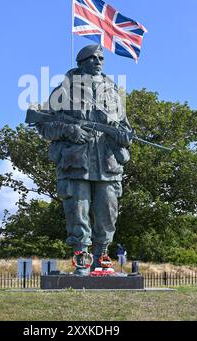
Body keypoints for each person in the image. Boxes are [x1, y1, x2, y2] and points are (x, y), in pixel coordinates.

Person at [35, 44, 132, 275]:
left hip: (108, 164)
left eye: (101, 58)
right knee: (77, 211)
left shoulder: (113, 92)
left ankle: (102, 256)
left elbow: (125, 128)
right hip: (76, 163)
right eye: (93, 57)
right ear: (81, 62)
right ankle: (82, 257)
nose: (98, 61)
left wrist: (124, 136)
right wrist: (69, 131)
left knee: (108, 212)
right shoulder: (64, 91)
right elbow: (43, 125)